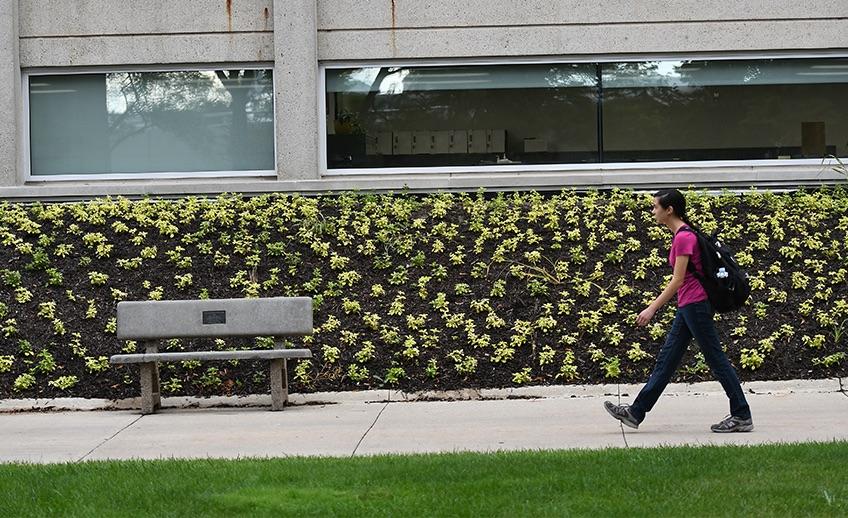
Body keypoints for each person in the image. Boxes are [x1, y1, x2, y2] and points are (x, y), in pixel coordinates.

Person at [604, 189, 753, 433]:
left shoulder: (684, 237)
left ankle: (742, 414)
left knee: (715, 359)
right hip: (689, 305)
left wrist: (651, 308)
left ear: (669, 209)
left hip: (696, 304)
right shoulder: (682, 234)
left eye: (655, 207)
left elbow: (678, 280)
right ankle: (636, 412)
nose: (653, 211)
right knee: (667, 360)